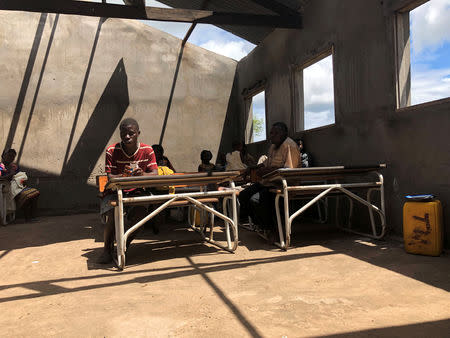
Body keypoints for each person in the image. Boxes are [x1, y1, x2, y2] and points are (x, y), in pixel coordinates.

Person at [99, 118, 158, 264]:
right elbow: (110, 177)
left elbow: (155, 173)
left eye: (131, 133)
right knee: (113, 214)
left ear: (138, 133)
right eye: (123, 133)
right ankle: (107, 249)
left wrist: (142, 174)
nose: (127, 137)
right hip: (114, 192)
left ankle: (123, 245)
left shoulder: (147, 150)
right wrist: (123, 175)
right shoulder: (112, 150)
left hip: (137, 191)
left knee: (141, 216)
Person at [238, 122, 300, 240]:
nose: (272, 136)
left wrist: (267, 171)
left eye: (275, 133)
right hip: (269, 182)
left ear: (284, 134)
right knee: (243, 195)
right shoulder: (273, 146)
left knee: (256, 200)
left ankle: (272, 229)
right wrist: (252, 168)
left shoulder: (289, 146)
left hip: (283, 184)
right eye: (271, 133)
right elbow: (266, 163)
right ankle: (262, 225)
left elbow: (288, 171)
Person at [0, 149, 40, 222]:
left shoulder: (14, 166)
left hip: (18, 187)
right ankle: (27, 218)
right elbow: (2, 178)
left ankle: (33, 216)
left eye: (13, 157)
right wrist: (10, 175)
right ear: (3, 156)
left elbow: (20, 176)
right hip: (7, 188)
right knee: (27, 196)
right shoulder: (1, 167)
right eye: (9, 156)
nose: (11, 158)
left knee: (35, 193)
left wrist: (22, 180)